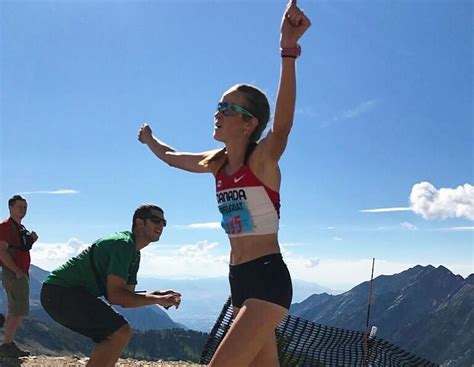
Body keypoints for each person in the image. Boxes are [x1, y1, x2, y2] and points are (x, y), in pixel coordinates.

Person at [138, 1, 311, 365]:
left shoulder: (260, 161)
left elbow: (282, 125)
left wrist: (288, 50)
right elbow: (172, 158)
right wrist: (150, 141)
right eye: (219, 105)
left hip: (267, 279)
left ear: (248, 123)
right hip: (240, 279)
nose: (217, 112)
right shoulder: (215, 164)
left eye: (228, 108)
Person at [40, 204, 181, 367]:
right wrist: (157, 299)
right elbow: (117, 296)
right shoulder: (124, 244)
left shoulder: (134, 252)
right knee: (119, 332)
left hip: (60, 293)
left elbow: (127, 297)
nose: (161, 226)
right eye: (156, 220)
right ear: (139, 222)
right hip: (60, 292)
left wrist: (157, 295)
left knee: (119, 333)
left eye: (164, 222)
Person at [0, 194, 38, 358]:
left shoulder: (19, 228)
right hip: (14, 273)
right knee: (17, 311)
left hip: (19, 273)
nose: (23, 209)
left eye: (25, 207)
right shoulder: (6, 227)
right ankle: (7, 346)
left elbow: (19, 248)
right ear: (10, 208)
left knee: (16, 310)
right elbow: (1, 251)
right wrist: (16, 271)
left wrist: (31, 240)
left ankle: (8, 344)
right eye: (19, 206)